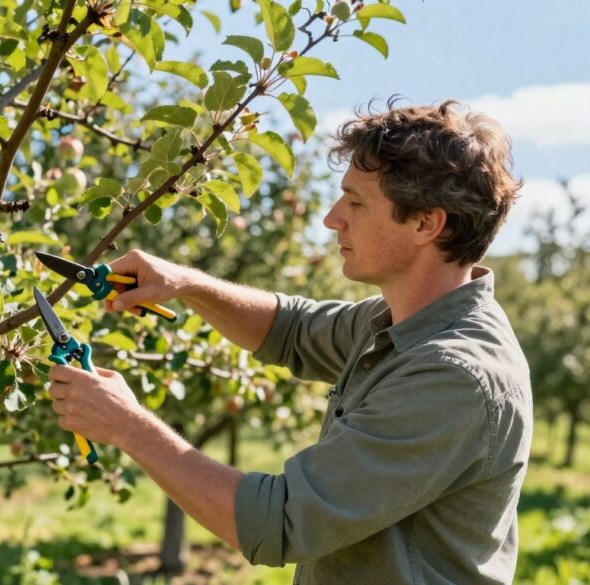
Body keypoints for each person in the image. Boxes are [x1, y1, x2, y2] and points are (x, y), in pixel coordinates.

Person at [47, 100, 532, 584]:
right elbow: (292, 330)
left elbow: (281, 522)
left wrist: (127, 425)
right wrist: (186, 283)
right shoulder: (399, 322)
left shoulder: (453, 375)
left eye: (357, 203)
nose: (331, 218)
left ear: (426, 223)